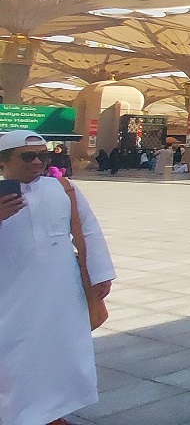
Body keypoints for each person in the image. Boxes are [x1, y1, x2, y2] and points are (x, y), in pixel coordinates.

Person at [0, 130, 116, 425]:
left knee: (61, 354)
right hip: (11, 295)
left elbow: (88, 229)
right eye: (28, 156)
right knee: (15, 359)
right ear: (3, 162)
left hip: (62, 291)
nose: (37, 162)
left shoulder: (64, 189)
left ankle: (52, 415)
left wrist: (100, 274)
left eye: (43, 156)